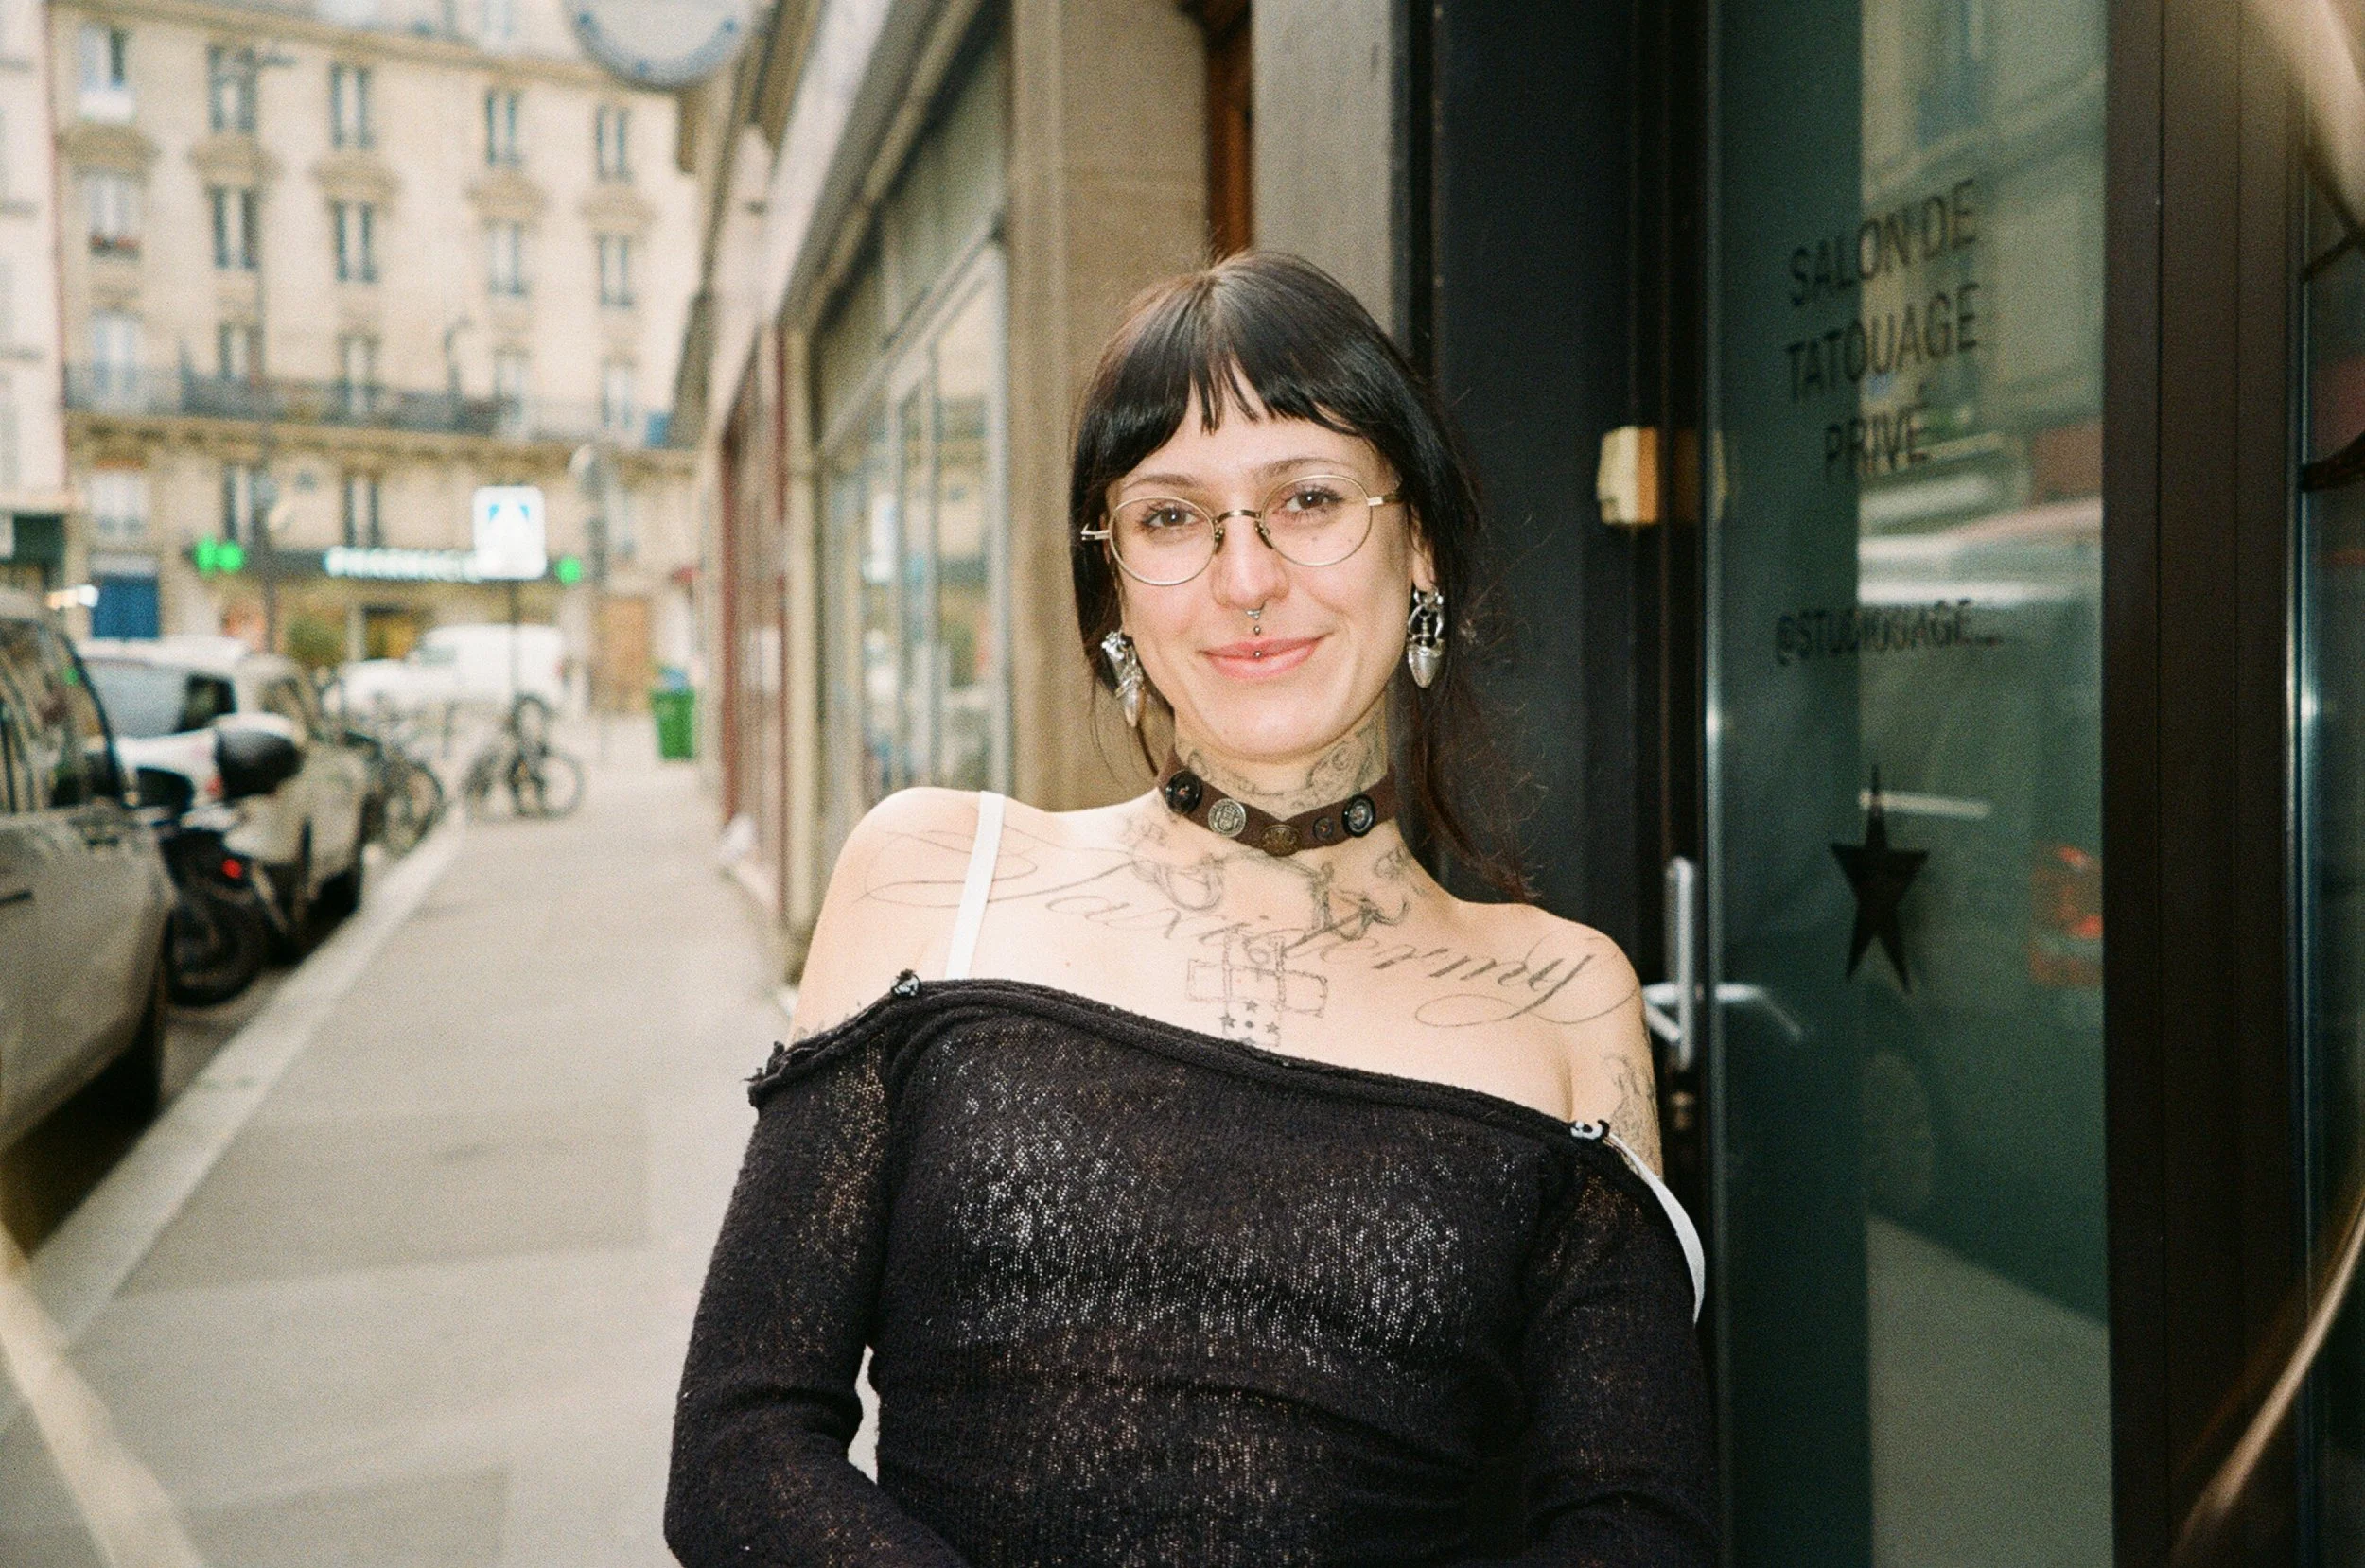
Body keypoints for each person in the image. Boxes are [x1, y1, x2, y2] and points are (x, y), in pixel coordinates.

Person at [665, 252, 1714, 1565]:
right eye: (1172, 517)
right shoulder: (937, 878)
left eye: (1310, 497)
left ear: (1420, 545)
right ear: (1113, 587)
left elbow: (1637, 1528)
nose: (1246, 577)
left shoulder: (1564, 997)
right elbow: (739, 1449)